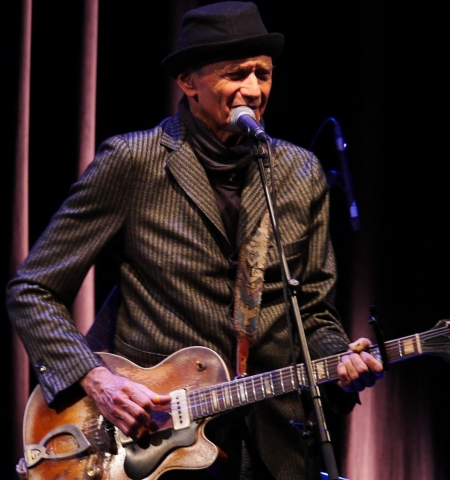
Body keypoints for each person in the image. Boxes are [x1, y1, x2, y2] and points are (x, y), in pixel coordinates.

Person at [6, 2, 383, 479]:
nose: (254, 90)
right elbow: (33, 289)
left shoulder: (299, 172)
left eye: (263, 74)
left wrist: (341, 361)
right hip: (155, 447)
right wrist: (97, 380)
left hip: (274, 446)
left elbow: (313, 313)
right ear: (188, 82)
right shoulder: (134, 162)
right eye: (236, 75)